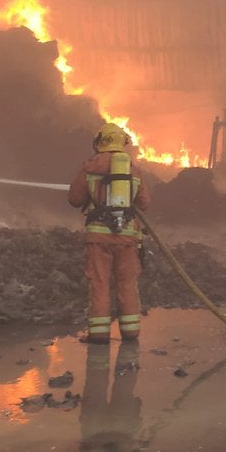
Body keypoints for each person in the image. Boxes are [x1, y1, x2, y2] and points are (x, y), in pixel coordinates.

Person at [68, 122, 150, 343]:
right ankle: (131, 331)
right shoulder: (132, 168)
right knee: (127, 283)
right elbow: (144, 203)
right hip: (127, 237)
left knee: (100, 283)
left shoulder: (91, 166)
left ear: (100, 142)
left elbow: (74, 199)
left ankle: (99, 333)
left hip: (98, 237)